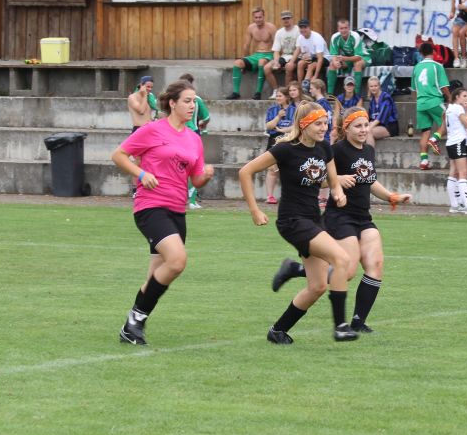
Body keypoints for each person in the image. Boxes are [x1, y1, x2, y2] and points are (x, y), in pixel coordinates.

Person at [271, 108, 412, 332]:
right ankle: (297, 269)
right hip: (340, 216)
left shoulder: (368, 150)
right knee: (346, 271)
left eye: (366, 125)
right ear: (346, 128)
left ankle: (358, 322)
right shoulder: (336, 150)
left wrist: (391, 196)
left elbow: (369, 180)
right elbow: (319, 177)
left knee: (375, 265)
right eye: (358, 126)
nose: (364, 130)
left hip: (363, 217)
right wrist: (337, 181)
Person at [238, 102, 357, 344]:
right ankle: (341, 326)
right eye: (318, 124)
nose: (324, 128)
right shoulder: (285, 149)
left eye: (325, 123)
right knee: (342, 260)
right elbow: (245, 172)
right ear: (304, 125)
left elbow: (330, 181)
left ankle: (278, 331)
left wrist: (338, 191)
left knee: (318, 286)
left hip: (313, 219)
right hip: (292, 220)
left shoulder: (324, 148)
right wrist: (254, 210)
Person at [111, 80, 215, 346]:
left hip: (177, 210)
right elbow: (119, 155)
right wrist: (141, 174)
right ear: (172, 103)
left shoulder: (194, 139)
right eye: (187, 101)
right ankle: (136, 318)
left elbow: (195, 179)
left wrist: (205, 176)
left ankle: (131, 327)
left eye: (194, 101)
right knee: (177, 261)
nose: (192, 106)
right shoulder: (152, 129)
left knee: (156, 275)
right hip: (151, 207)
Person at [411, 40, 449, 170]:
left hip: (421, 104)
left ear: (421, 53)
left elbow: (414, 89)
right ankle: (434, 139)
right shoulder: (437, 66)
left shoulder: (416, 67)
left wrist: (419, 101)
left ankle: (424, 161)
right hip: (434, 101)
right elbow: (444, 87)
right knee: (448, 121)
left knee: (425, 132)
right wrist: (450, 98)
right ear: (433, 51)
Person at [177, 73, 211, 209]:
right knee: (194, 167)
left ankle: (180, 198)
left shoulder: (175, 99)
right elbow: (206, 117)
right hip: (192, 133)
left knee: (178, 166)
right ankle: (191, 201)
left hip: (177, 133)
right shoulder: (197, 99)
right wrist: (203, 125)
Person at [227, 7, 276, 100]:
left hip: (268, 54)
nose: (258, 19)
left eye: (260, 17)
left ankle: (258, 93)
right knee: (237, 63)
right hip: (256, 54)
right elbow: (246, 45)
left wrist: (276, 60)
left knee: (261, 62)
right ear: (253, 18)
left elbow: (277, 45)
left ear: (264, 16)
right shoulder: (251, 28)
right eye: (256, 17)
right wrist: (244, 61)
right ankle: (236, 92)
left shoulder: (271, 27)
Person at [264, 87, 295, 204]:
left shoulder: (294, 110)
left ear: (287, 97)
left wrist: (283, 130)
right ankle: (270, 196)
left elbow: (296, 126)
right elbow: (269, 126)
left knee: (289, 169)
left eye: (280, 96)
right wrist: (278, 117)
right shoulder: (272, 110)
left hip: (289, 139)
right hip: (274, 140)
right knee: (272, 168)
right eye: (276, 96)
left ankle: (288, 196)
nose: (277, 98)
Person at [326, 18, 370, 94]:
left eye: (345, 28)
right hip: (348, 58)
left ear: (349, 28)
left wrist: (344, 58)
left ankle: (356, 94)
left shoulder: (355, 36)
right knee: (332, 64)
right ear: (338, 29)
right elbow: (334, 55)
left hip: (363, 57)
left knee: (357, 64)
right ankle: (330, 95)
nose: (344, 30)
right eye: (341, 28)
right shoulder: (335, 37)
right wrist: (335, 62)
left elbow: (358, 57)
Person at [266, 10, 299, 95]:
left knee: (289, 67)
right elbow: (276, 51)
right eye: (284, 18)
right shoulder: (279, 32)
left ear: (292, 19)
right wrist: (276, 61)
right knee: (267, 68)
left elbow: (298, 49)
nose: (286, 20)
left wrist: (291, 62)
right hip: (284, 56)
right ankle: (276, 90)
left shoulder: (298, 30)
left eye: (288, 18)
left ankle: (287, 92)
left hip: (297, 56)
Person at [292, 18, 327, 89]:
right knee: (300, 63)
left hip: (324, 58)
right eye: (301, 27)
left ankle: (305, 86)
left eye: (305, 27)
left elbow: (320, 58)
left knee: (311, 66)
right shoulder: (300, 37)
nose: (303, 29)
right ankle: (300, 87)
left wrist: (315, 76)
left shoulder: (317, 38)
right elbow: (298, 50)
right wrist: (291, 62)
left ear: (309, 27)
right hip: (311, 58)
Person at [365, 75, 398, 144]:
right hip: (377, 125)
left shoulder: (386, 97)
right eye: (371, 86)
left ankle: (369, 151)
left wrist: (369, 127)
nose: (373, 88)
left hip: (389, 126)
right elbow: (371, 117)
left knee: (368, 132)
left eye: (375, 86)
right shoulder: (372, 100)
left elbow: (381, 117)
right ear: (369, 87)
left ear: (379, 86)